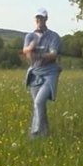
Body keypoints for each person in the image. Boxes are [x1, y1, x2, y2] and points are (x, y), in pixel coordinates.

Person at [23, 8, 62, 139]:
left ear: (46, 19)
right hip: (35, 73)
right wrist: (30, 50)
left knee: (39, 102)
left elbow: (53, 55)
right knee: (39, 105)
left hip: (50, 73)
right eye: (37, 18)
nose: (39, 20)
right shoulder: (29, 36)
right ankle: (45, 134)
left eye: (42, 17)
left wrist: (36, 54)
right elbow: (27, 54)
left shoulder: (53, 36)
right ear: (35, 19)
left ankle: (34, 134)